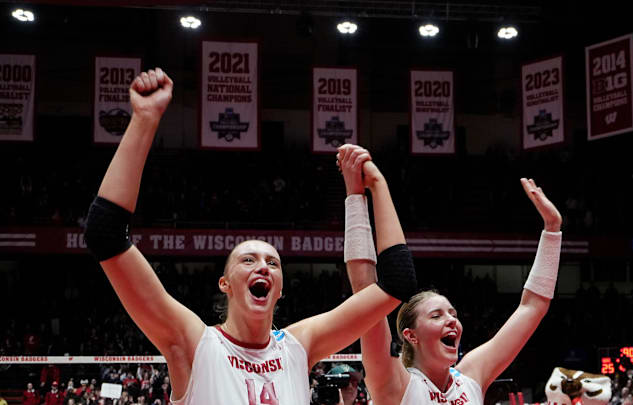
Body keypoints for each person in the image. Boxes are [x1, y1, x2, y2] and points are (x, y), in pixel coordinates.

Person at [83, 68, 416, 405]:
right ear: (225, 283)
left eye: (273, 263)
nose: (263, 267)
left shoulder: (301, 345)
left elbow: (396, 282)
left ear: (281, 288)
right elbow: (105, 233)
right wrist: (144, 119)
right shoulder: (194, 343)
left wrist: (375, 188)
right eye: (248, 259)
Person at [338, 145, 562, 405]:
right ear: (411, 336)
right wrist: (365, 191)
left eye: (453, 314)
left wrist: (552, 230)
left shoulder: (471, 377)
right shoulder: (394, 383)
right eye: (437, 315)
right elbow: (365, 289)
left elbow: (532, 307)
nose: (451, 320)